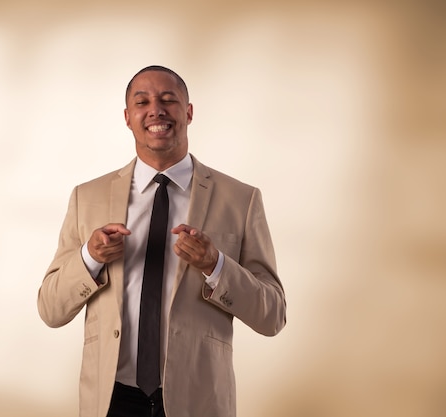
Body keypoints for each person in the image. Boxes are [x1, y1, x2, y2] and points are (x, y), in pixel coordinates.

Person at [37, 65, 286, 417]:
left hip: (198, 401)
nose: (156, 109)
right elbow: (50, 310)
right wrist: (90, 258)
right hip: (110, 401)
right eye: (143, 101)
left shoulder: (241, 199)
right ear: (128, 117)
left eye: (168, 100)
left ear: (188, 112)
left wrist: (215, 266)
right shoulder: (86, 197)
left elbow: (272, 315)